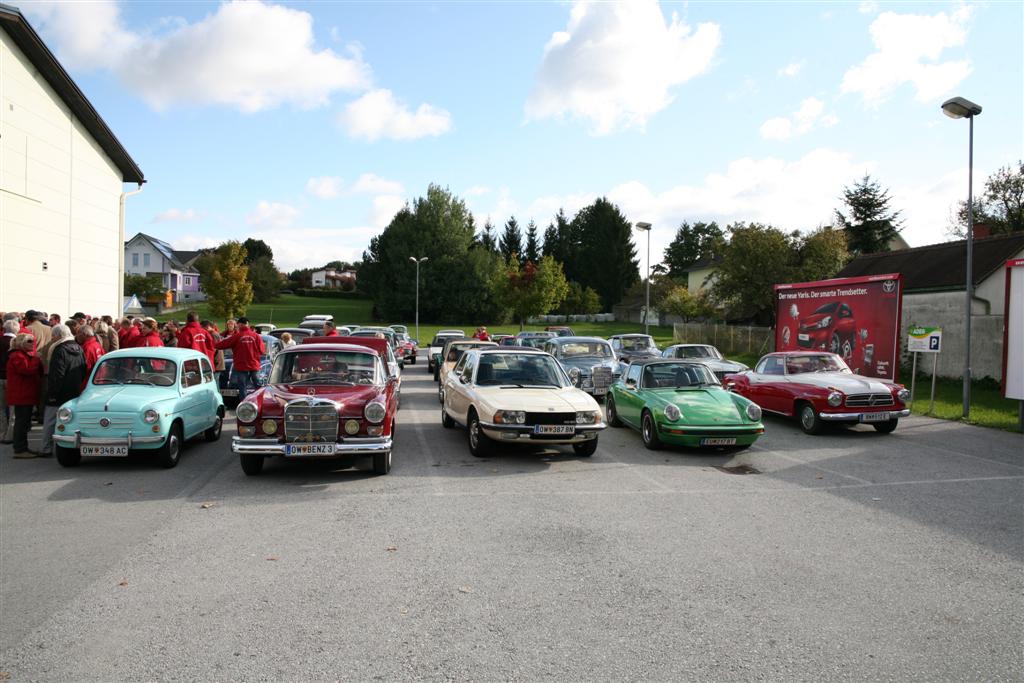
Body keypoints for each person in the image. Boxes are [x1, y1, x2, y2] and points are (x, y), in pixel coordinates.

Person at [40, 325, 86, 456]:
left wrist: (52, 393)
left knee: (49, 420)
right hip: (74, 390)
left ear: (59, 336)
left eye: (53, 336)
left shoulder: (59, 349)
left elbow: (57, 374)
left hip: (59, 391)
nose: (52, 339)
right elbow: (84, 368)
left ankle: (46, 448)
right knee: (71, 420)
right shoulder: (79, 347)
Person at [6, 334, 43, 457]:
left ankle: (23, 448)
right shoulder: (17, 356)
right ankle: (20, 449)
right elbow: (27, 370)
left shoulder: (22, 355)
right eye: (29, 341)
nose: (32, 343)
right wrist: (36, 359)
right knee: (22, 423)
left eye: (33, 341)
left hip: (24, 393)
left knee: (24, 422)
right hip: (21, 394)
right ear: (22, 342)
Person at [214, 317, 265, 399]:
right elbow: (262, 350)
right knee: (258, 386)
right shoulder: (256, 336)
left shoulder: (237, 336)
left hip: (241, 366)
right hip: (254, 364)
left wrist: (213, 345)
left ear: (240, 324)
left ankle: (244, 405)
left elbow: (223, 344)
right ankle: (259, 402)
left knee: (242, 386)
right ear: (247, 324)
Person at [0, 319, 18, 443]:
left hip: (0, 377)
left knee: (1, 408)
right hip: (13, 379)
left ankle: (1, 433)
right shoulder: (17, 343)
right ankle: (10, 435)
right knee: (13, 409)